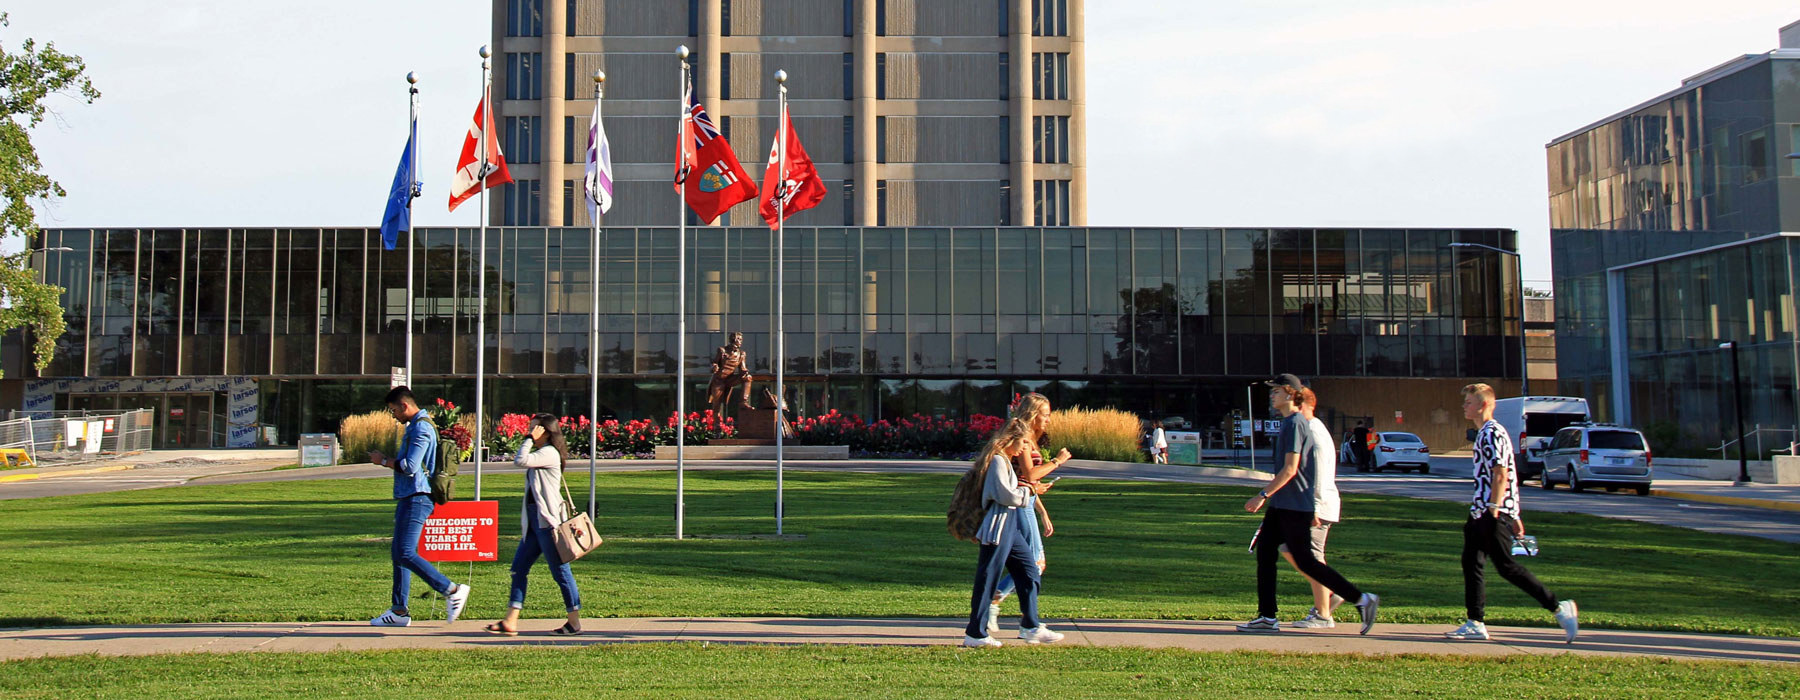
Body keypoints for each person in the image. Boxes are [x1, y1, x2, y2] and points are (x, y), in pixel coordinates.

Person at [1238, 378, 1379, 635]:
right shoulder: (1292, 423)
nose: (1272, 396)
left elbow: (1291, 469)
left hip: (1293, 505)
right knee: (1266, 554)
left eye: (1277, 391)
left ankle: (1361, 599)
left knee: (1306, 561)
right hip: (1285, 504)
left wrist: (1262, 494)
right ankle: (1267, 616)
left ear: (1291, 394)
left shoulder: (1295, 424)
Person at [1447, 384, 1579, 643]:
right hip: (1481, 512)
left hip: (1490, 513)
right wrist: (1514, 515)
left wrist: (1495, 511)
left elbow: (1501, 473)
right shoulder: (1486, 432)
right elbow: (1508, 474)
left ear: (1483, 405)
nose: (1464, 406)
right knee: (1471, 563)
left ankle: (1558, 607)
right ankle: (1475, 621)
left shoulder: (1491, 433)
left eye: (1469, 402)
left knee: (1507, 566)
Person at [960, 393, 1072, 648]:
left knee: (1030, 570)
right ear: (1010, 440)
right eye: (1021, 444)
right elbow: (1006, 495)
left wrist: (1035, 500)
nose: (1024, 449)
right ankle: (975, 634)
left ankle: (1031, 624)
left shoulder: (1006, 463)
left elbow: (1020, 487)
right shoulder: (998, 462)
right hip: (998, 527)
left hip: (1010, 523)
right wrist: (1032, 490)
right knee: (988, 576)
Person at [365, 386, 471, 628]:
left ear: (405, 406)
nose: (394, 416)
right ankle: (399, 611)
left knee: (404, 553)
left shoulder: (421, 427)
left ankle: (451, 589)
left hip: (417, 497)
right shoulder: (414, 426)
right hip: (409, 497)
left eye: (394, 411)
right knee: (398, 554)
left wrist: (382, 460)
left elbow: (410, 466)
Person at [486, 413, 584, 637]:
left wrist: (529, 440)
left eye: (535, 429)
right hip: (533, 523)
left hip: (548, 523)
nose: (529, 432)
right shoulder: (542, 453)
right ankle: (510, 620)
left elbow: (520, 460)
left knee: (560, 571)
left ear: (546, 432)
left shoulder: (548, 453)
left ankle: (574, 622)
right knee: (518, 568)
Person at [1281, 387, 1345, 628]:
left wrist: (1313, 508)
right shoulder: (1310, 429)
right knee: (1289, 548)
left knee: (1310, 558)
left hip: (1318, 506)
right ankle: (1330, 593)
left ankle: (1323, 614)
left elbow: (1319, 473)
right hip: (1310, 504)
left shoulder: (1314, 433)